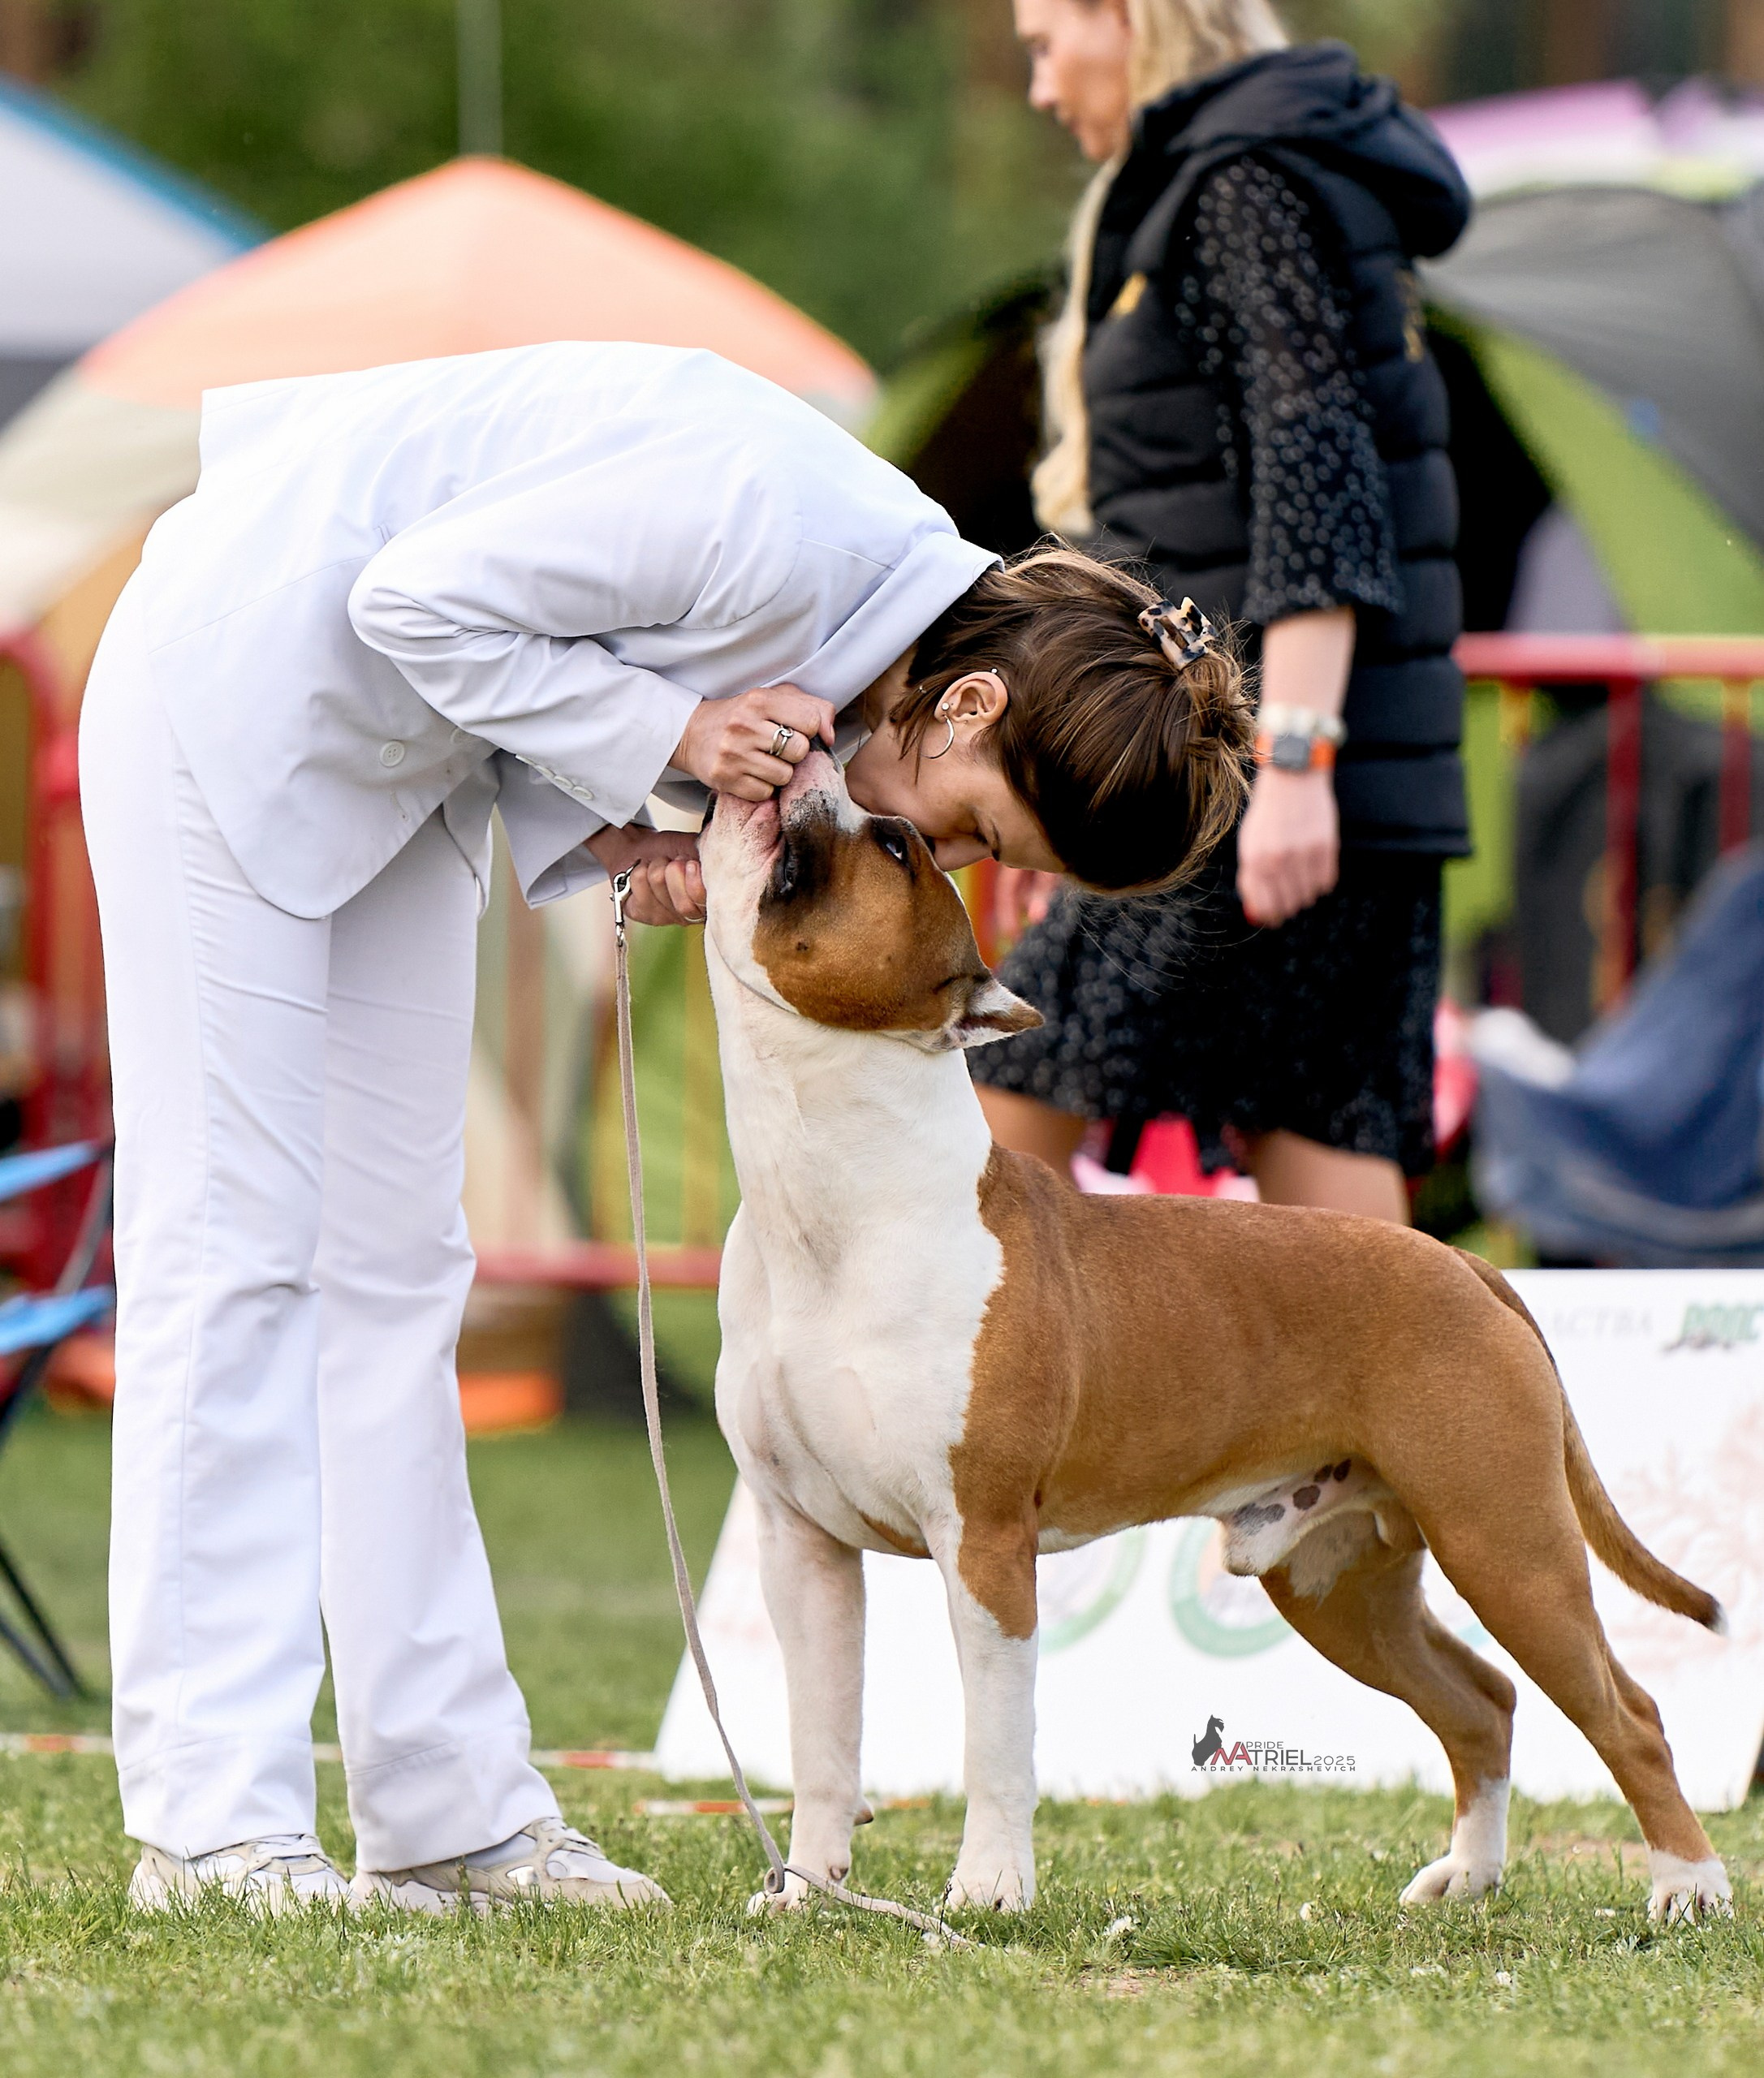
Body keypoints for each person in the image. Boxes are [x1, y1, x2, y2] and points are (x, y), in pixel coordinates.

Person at [81, 340, 1249, 1912]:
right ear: (970, 701)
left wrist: (630, 819)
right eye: (978, 825)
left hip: (399, 764)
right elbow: (409, 599)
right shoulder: (773, 525)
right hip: (225, 693)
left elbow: (533, 644)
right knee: (233, 1255)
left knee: (399, 1271)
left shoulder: (859, 616)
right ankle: (210, 1823)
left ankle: (449, 1812)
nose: (950, 860)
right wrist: (678, 740)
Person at [980, 0, 1473, 1221]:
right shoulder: (1244, 169)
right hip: (1282, 769)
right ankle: (1400, 1366)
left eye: (1045, 44)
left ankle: (943, 1355)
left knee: (991, 1124)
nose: (1040, 87)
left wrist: (1295, 763)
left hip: (1245, 772)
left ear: (1127, 16)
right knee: (1318, 1130)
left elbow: (1318, 475)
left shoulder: (1241, 180)